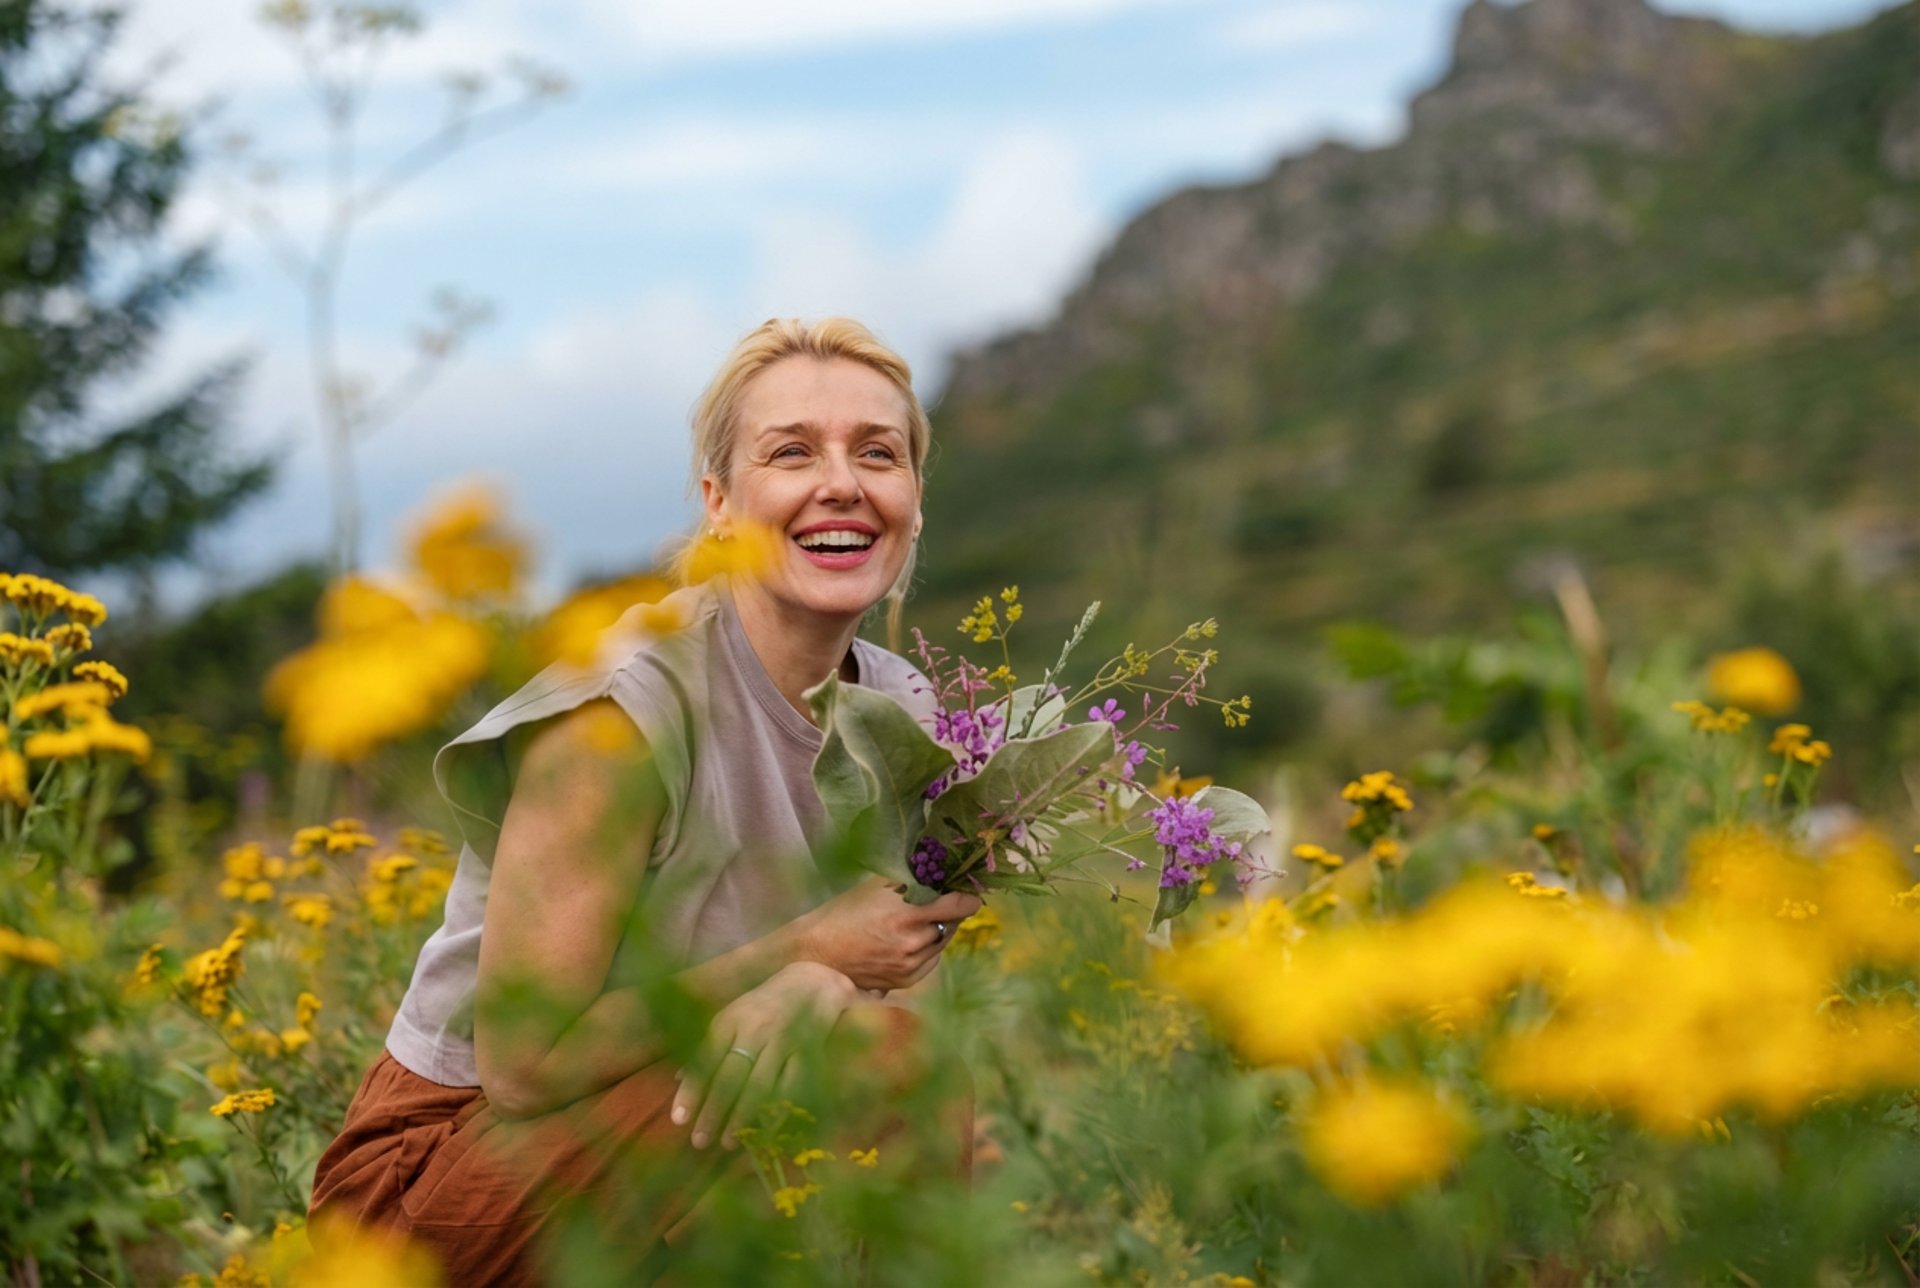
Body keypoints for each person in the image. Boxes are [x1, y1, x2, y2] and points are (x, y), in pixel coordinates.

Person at [308, 317, 983, 1283]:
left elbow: (880, 999)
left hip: (665, 1149)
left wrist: (819, 986)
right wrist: (804, 955)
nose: (842, 483)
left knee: (899, 1080)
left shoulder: (905, 715)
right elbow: (525, 1063)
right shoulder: (625, 708)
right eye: (791, 452)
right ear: (718, 502)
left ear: (914, 500)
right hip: (436, 1188)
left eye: (879, 454)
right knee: (884, 1067)